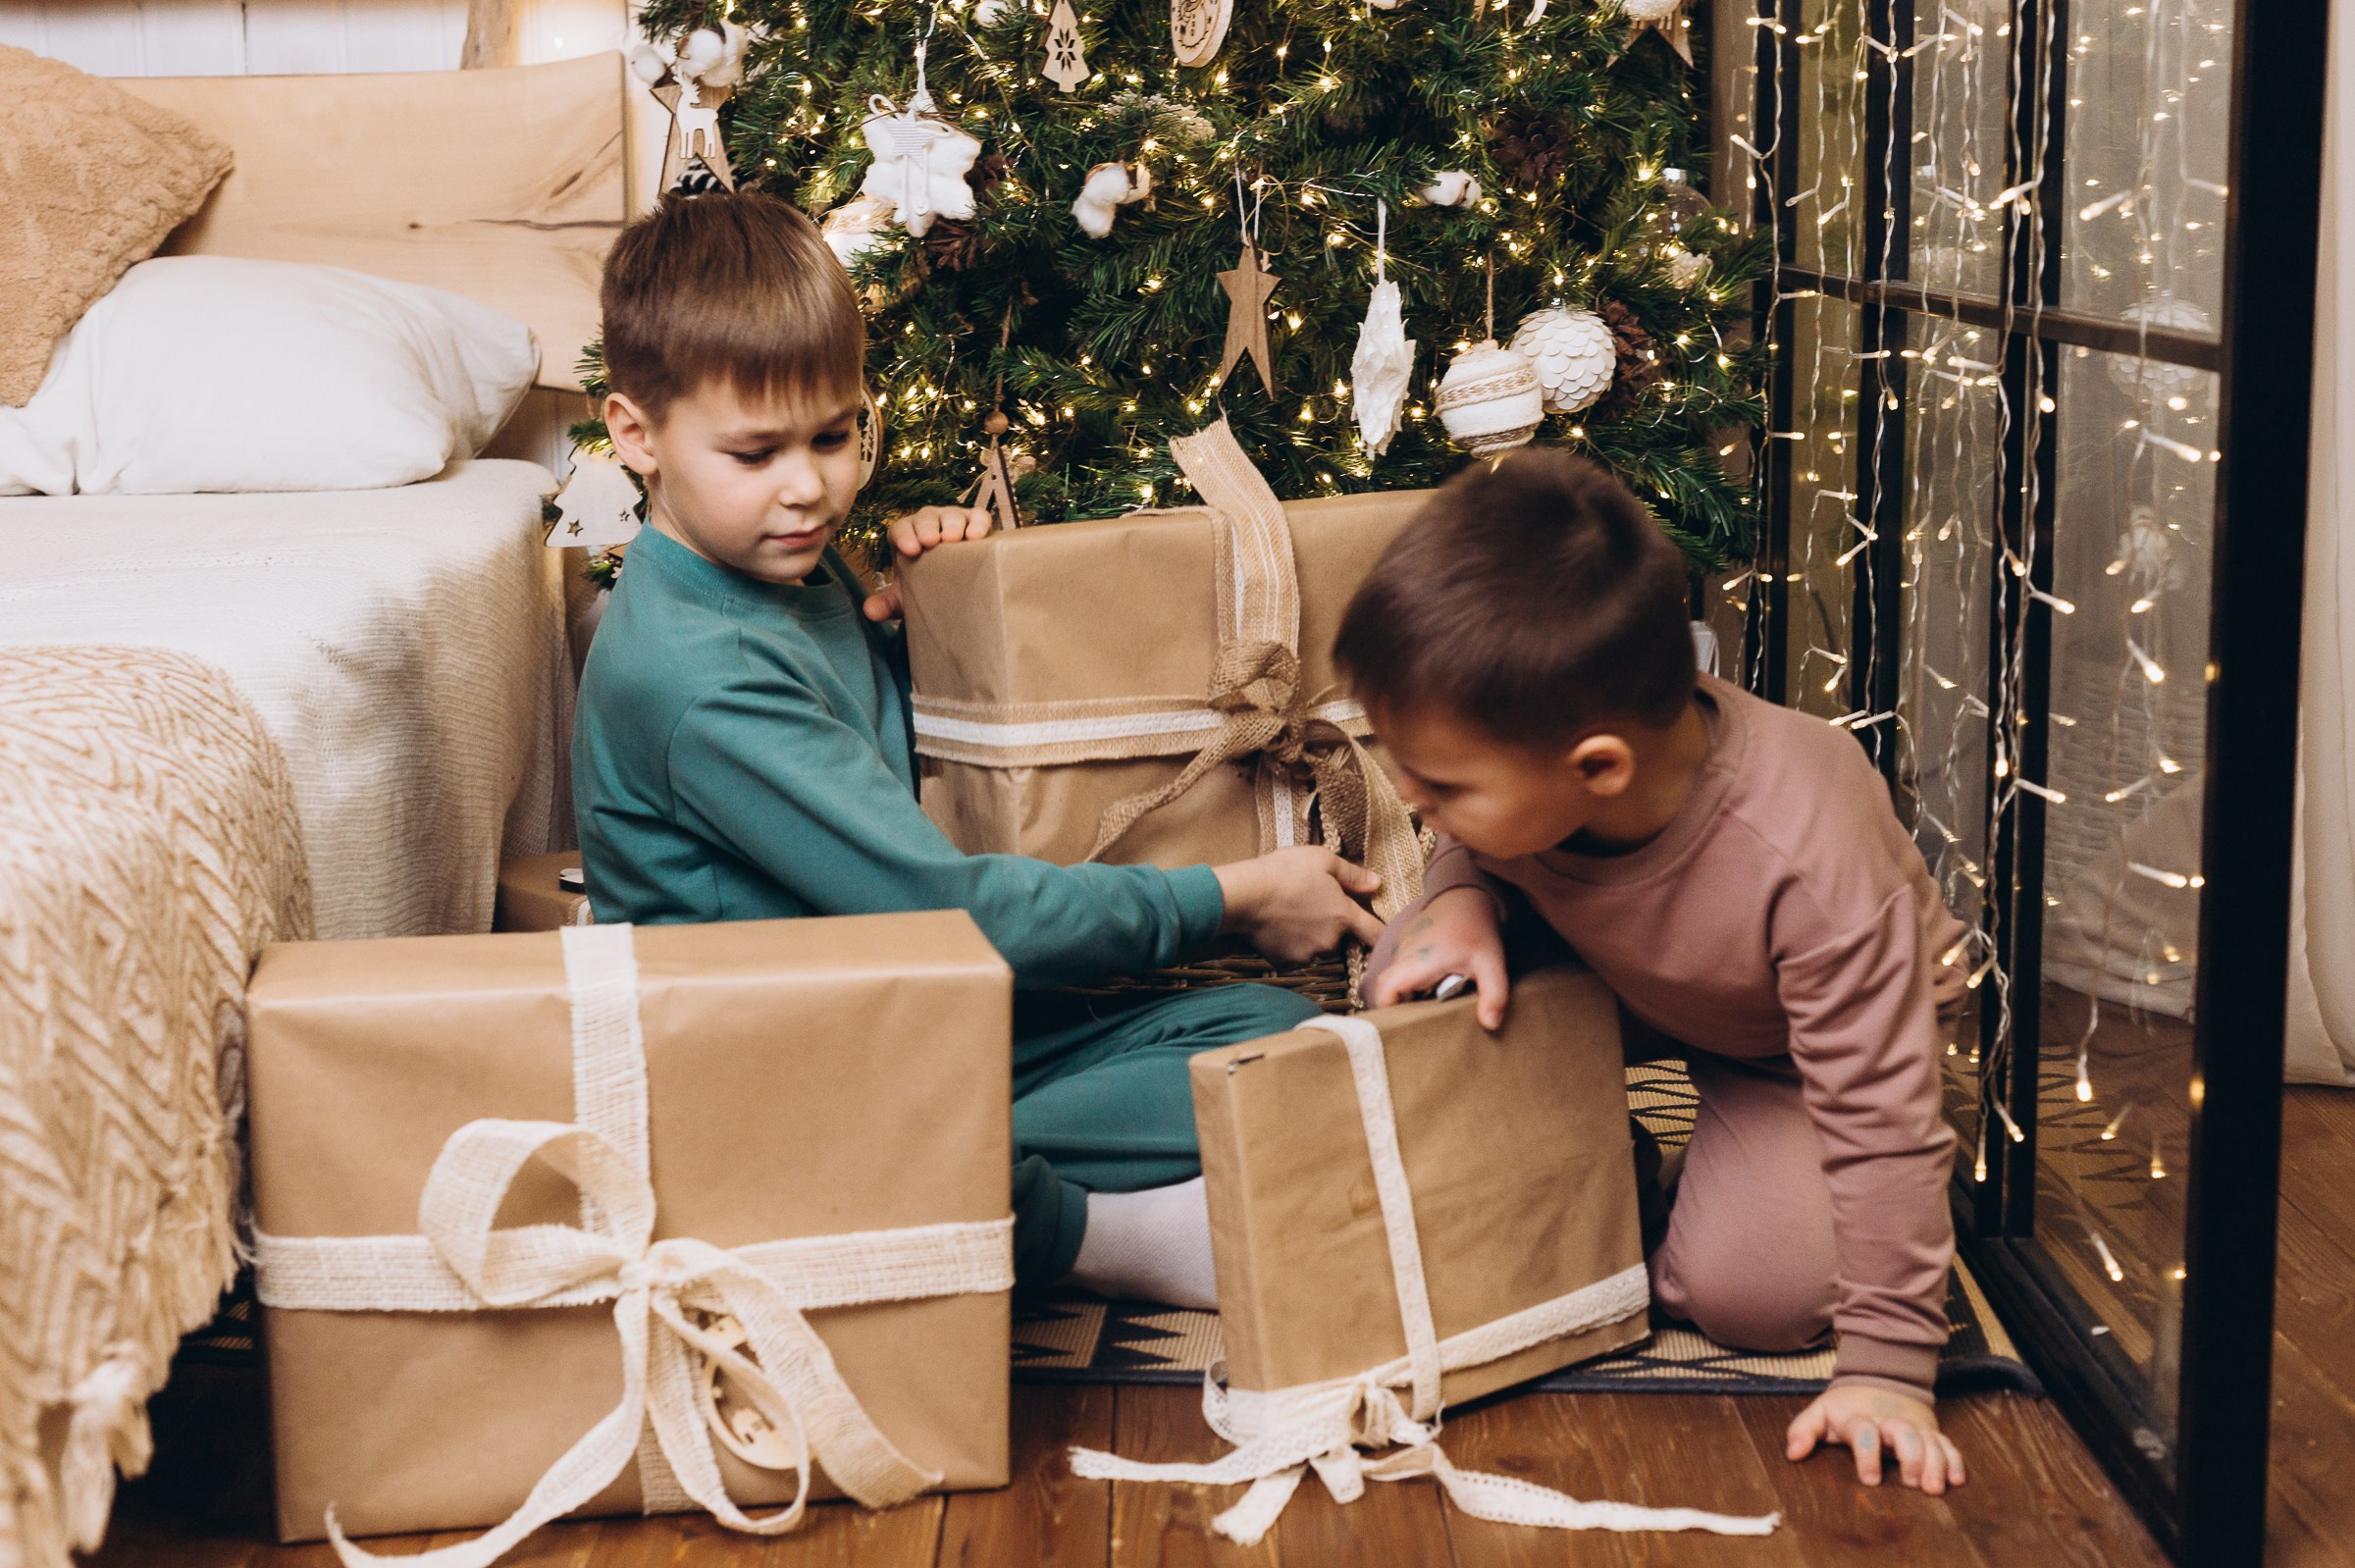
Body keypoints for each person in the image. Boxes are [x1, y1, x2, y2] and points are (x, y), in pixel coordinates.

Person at [572, 190, 1384, 1307]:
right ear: (633, 435)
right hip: (788, 1071)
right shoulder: (692, 675)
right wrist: (1234, 894)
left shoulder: (790, 567)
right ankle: (1092, 1233)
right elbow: (956, 910)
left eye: (834, 434)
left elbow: (892, 771)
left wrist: (932, 620)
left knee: (1279, 1032)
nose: (809, 487)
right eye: (755, 452)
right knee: (1262, 1080)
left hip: (910, 1017)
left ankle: (982, 1180)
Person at [1341, 450, 1971, 1496]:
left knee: (1752, 1295)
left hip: (1802, 1054)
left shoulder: (1804, 852)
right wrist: (1458, 890)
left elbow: (1882, 1114)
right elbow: (1485, 846)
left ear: (1598, 768)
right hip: (1629, 974)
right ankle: (1601, 1156)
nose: (1409, 800)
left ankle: (1648, 1190)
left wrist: (1892, 1367)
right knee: (1404, 972)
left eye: (1441, 784)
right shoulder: (1541, 773)